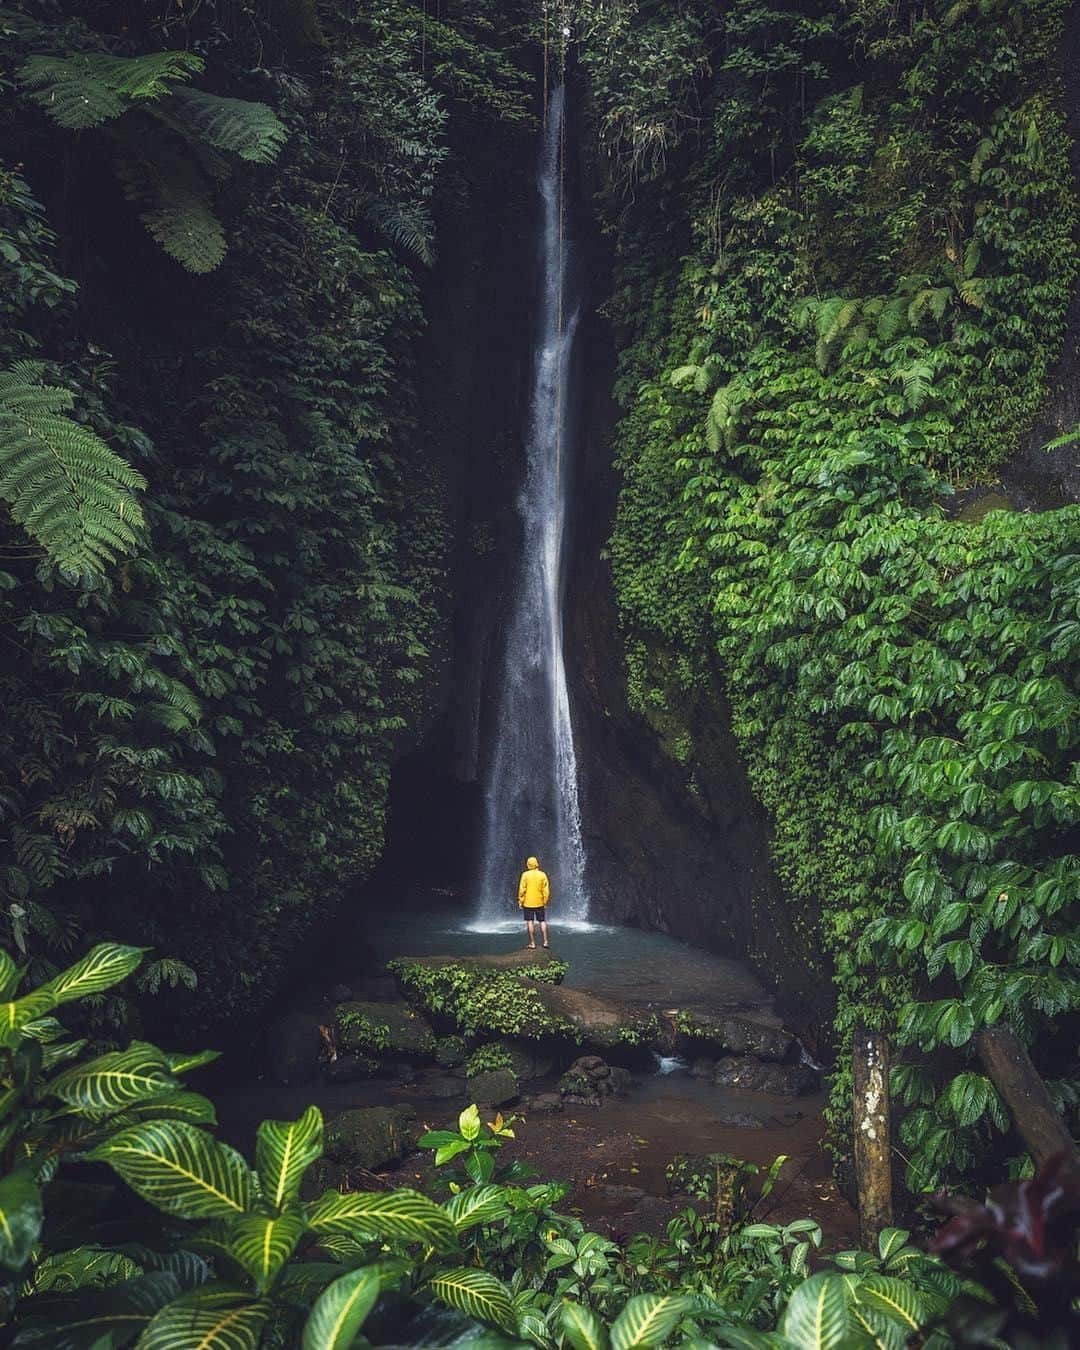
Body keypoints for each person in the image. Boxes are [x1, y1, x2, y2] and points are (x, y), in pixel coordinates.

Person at [518, 855, 550, 949]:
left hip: (528, 902)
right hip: (540, 902)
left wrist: (520, 900)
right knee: (542, 921)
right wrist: (545, 902)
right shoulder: (542, 874)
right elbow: (546, 891)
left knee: (530, 922)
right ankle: (545, 942)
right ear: (536, 864)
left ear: (528, 864)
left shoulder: (525, 875)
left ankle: (532, 943)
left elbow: (522, 889)